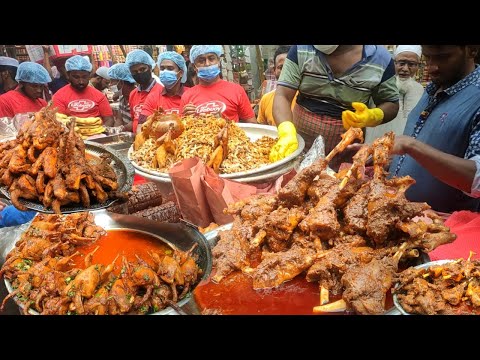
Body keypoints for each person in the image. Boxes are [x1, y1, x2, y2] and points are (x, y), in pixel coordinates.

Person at [272, 45, 399, 169]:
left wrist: (373, 116)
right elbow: (283, 95)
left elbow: (391, 104)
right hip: (300, 144)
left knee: (339, 185)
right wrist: (286, 131)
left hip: (345, 149)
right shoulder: (302, 49)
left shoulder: (381, 60)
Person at [389, 45, 480, 213]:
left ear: (472, 50)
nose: (431, 67)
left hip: (447, 228)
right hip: (400, 217)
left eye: (442, 57)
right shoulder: (434, 88)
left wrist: (411, 145)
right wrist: (382, 155)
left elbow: (477, 178)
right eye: (427, 58)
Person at [180, 45, 256, 123]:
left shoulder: (236, 90)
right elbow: (181, 131)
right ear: (194, 66)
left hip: (230, 134)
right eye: (201, 60)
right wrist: (186, 120)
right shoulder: (187, 96)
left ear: (219, 61)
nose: (207, 63)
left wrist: (223, 122)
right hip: (199, 135)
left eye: (211, 58)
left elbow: (253, 127)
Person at [365, 45, 424, 143]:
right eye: (401, 63)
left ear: (418, 66)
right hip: (374, 141)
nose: (405, 69)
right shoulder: (378, 84)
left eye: (411, 64)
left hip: (404, 146)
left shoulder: (419, 90)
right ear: (394, 63)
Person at [52, 55, 114, 126]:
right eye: (76, 77)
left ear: (89, 76)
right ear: (68, 75)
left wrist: (100, 133)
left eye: (84, 77)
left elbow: (109, 119)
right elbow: (58, 122)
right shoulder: (59, 96)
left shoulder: (99, 96)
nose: (81, 81)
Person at [139, 51, 188, 126]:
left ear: (180, 73)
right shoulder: (153, 97)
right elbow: (141, 125)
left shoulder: (190, 94)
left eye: (170, 68)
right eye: (162, 68)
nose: (165, 72)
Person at [257, 46, 297, 126]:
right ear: (274, 70)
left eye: (290, 67)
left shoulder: (306, 99)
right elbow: (262, 131)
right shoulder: (266, 99)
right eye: (281, 67)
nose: (285, 71)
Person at [125, 49, 163, 133]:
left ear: (150, 67)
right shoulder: (133, 94)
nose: (139, 73)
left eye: (142, 69)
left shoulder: (161, 92)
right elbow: (134, 119)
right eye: (134, 72)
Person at [107, 63, 136, 131]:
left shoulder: (137, 97)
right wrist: (115, 131)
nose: (110, 84)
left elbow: (136, 122)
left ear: (121, 82)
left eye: (112, 81)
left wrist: (122, 129)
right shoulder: (123, 98)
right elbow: (119, 120)